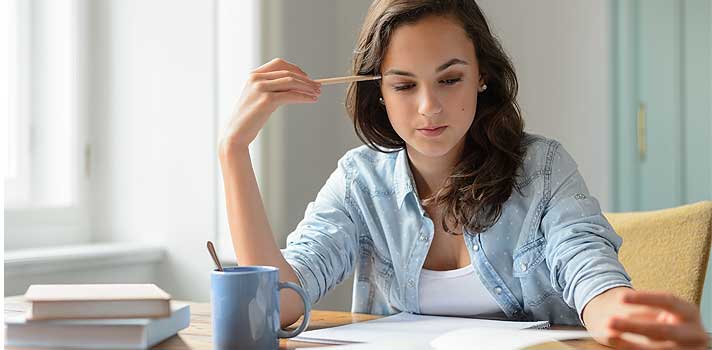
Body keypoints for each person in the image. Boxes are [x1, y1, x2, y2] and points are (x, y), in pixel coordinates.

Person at [218, 0, 709, 348]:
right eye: (404, 85)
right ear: (379, 93)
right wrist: (233, 150)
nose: (429, 107)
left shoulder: (542, 169)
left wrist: (618, 312)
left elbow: (587, 268)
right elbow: (278, 308)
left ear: (482, 76)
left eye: (449, 79)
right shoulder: (359, 183)